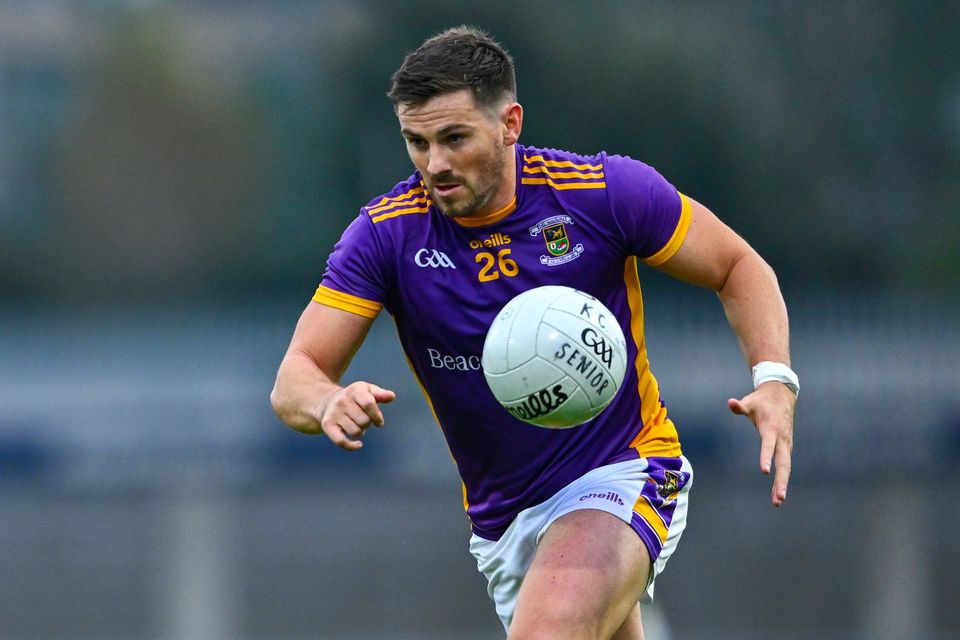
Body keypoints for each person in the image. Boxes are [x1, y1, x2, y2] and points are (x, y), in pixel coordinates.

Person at [270, 26, 797, 640]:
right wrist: (326, 401)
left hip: (623, 469)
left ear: (510, 124)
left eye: (454, 138)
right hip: (505, 522)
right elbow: (295, 376)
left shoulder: (602, 194)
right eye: (417, 143)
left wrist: (774, 379)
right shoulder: (387, 236)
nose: (435, 164)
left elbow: (738, 266)